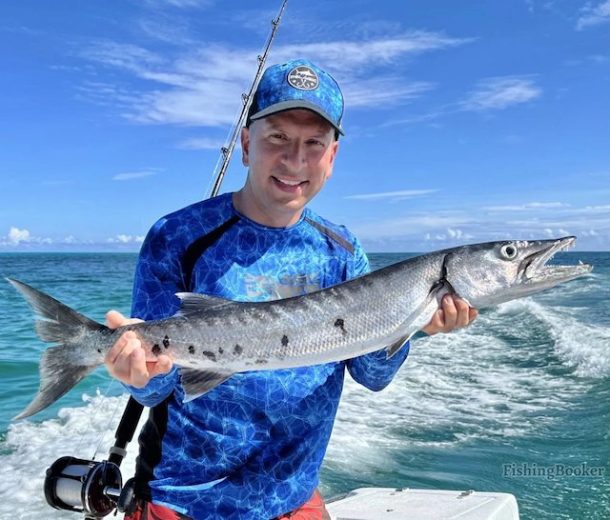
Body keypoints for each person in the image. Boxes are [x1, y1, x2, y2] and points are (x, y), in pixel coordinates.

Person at [104, 58, 477, 520]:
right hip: (183, 500)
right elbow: (154, 392)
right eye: (277, 137)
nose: (295, 160)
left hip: (291, 499)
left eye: (313, 143)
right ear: (245, 143)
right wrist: (140, 372)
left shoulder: (341, 252)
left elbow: (373, 377)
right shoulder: (178, 236)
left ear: (332, 156)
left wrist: (417, 323)